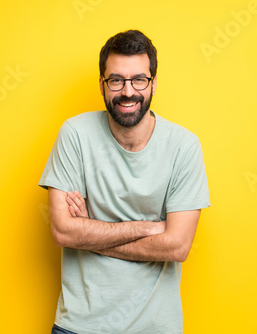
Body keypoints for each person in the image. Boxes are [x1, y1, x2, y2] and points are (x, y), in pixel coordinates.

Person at [39, 29, 210, 334]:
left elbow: (177, 246)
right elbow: (63, 230)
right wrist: (149, 227)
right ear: (103, 85)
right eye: (116, 80)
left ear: (153, 83)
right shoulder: (75, 134)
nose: (128, 91)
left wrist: (90, 233)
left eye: (139, 80)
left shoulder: (184, 146)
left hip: (156, 328)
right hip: (79, 327)